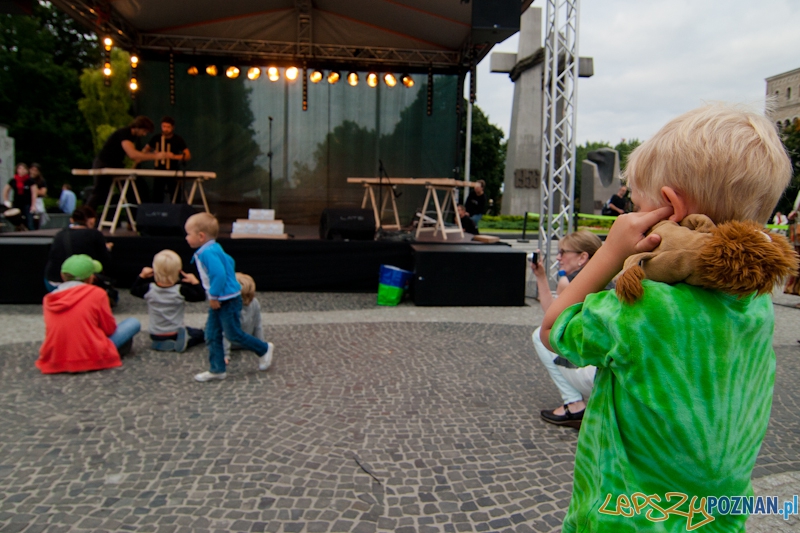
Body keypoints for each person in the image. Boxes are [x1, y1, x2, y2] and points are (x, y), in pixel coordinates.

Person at [539, 103, 793, 532]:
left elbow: (551, 329)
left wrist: (611, 252)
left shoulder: (641, 309)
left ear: (670, 209)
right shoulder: (754, 302)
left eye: (636, 205)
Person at [185, 212, 274, 382]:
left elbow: (218, 274)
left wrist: (214, 296)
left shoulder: (207, 253)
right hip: (225, 297)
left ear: (201, 236)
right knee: (212, 333)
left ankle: (263, 348)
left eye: (188, 234)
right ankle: (217, 369)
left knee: (233, 334)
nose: (186, 238)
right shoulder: (214, 247)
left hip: (225, 299)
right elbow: (229, 261)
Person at [531, 230, 602, 428]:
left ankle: (574, 404)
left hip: (594, 375)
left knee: (539, 335)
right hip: (612, 371)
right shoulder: (609, 278)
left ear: (582, 257)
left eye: (563, 252)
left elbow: (551, 321)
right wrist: (541, 276)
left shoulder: (570, 282)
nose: (558, 257)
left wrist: (541, 278)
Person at [36, 254, 140, 374]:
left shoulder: (50, 298)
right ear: (91, 278)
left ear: (62, 275)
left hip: (56, 357)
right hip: (92, 354)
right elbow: (109, 329)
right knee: (133, 323)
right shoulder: (97, 294)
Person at [131, 249, 206, 352]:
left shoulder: (149, 289)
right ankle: (184, 342)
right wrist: (195, 282)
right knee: (199, 334)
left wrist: (142, 276)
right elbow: (201, 296)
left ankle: (160, 344)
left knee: (190, 331)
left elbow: (134, 290)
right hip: (175, 332)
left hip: (155, 333)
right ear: (179, 271)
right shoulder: (180, 290)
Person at [86, 116, 167, 210]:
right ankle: (84, 215)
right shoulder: (125, 133)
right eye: (144, 131)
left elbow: (136, 155)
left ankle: (133, 216)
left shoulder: (132, 136)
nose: (144, 134)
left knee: (131, 190)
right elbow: (133, 155)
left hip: (115, 165)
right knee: (99, 193)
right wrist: (155, 156)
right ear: (138, 127)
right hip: (104, 163)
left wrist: (151, 155)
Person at [44, 206, 112, 292]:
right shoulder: (95, 234)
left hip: (52, 282)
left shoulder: (60, 234)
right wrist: (106, 249)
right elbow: (105, 262)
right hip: (79, 284)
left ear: (72, 220)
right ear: (92, 220)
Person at [143, 116, 192, 203]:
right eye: (164, 126)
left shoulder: (178, 139)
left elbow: (188, 156)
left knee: (175, 195)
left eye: (168, 127)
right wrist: (153, 154)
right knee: (157, 196)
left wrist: (173, 156)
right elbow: (143, 152)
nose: (165, 129)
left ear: (173, 127)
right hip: (158, 171)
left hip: (173, 171)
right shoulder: (156, 138)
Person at [224, 273, 263, 363]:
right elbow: (258, 326)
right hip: (246, 342)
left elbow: (224, 332)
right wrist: (261, 346)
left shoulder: (228, 305)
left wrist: (224, 354)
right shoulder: (254, 302)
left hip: (233, 342)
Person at [3, 162, 36, 229]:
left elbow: (34, 193)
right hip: (16, 203)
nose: (22, 170)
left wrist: (33, 205)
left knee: (29, 221)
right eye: (20, 169)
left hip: (27, 203)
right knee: (15, 220)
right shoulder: (13, 180)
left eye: (24, 169)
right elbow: (5, 190)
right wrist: (6, 200)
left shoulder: (30, 181)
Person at [29, 163, 48, 228]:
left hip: (37, 202)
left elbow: (43, 192)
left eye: (36, 170)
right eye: (32, 170)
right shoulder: (26, 179)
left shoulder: (41, 181)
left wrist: (33, 188)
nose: (33, 172)